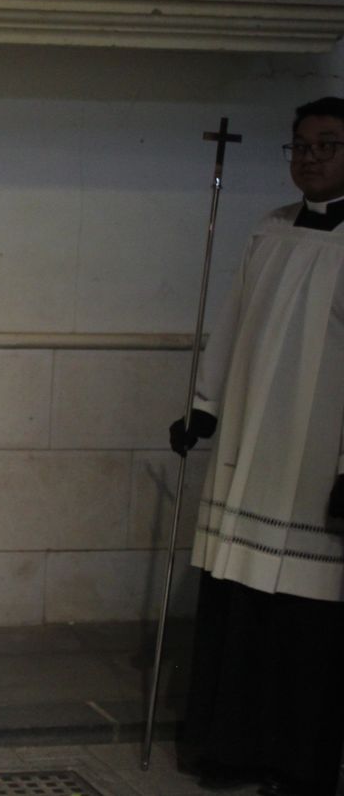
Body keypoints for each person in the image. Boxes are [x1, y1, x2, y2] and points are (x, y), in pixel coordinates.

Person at [171, 96, 344, 796]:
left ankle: (294, 761)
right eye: (299, 145)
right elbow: (233, 319)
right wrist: (205, 409)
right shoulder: (269, 232)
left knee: (303, 620)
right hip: (250, 448)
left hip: (314, 464)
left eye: (325, 145)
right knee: (237, 601)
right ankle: (227, 746)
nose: (307, 157)